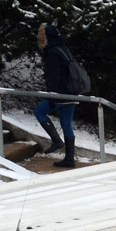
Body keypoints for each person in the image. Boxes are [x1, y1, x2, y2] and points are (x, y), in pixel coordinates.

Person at [34, 23, 77, 168]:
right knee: (66, 123)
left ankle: (56, 141)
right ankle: (69, 159)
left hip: (61, 93)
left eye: (41, 34)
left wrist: (52, 96)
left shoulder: (52, 52)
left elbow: (54, 77)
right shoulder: (63, 48)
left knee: (39, 112)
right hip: (72, 92)